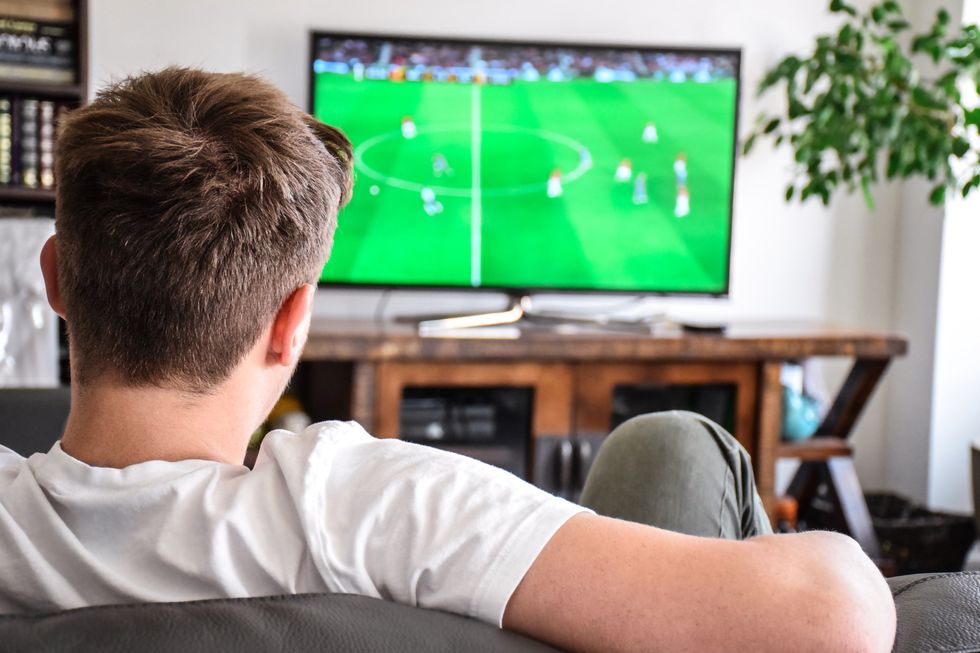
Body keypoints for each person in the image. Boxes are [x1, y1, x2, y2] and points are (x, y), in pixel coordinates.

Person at [0, 68, 895, 652]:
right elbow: (838, 615)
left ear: (56, 279)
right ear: (292, 323)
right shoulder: (363, 505)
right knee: (674, 444)